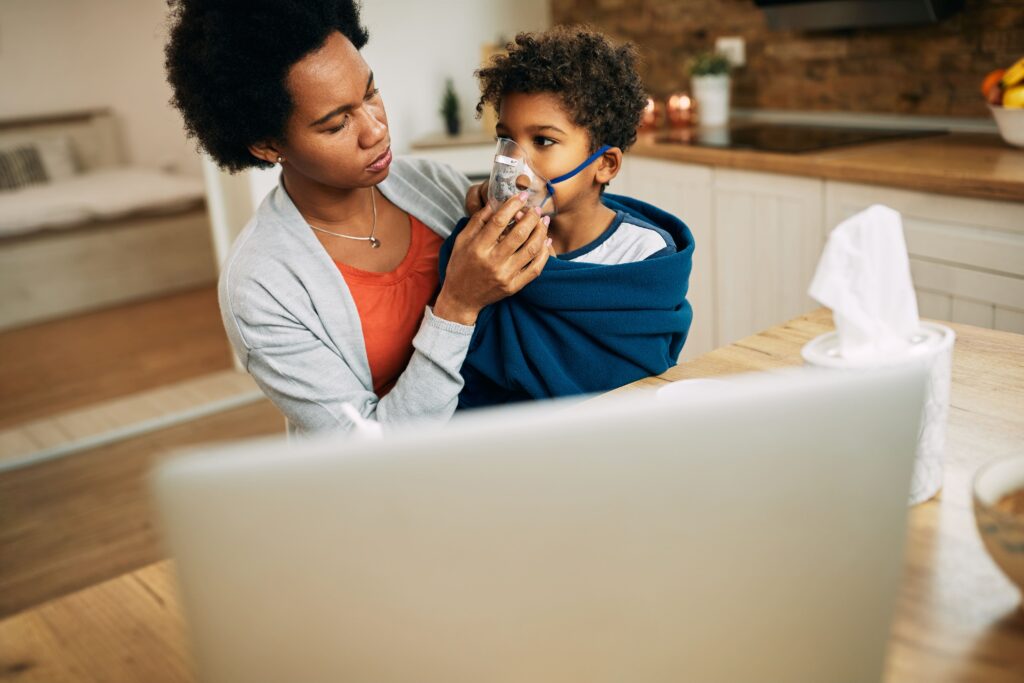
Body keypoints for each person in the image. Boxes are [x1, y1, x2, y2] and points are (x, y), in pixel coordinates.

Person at [164, 0, 552, 435]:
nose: (376, 129)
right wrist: (457, 306)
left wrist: (523, 220)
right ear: (266, 144)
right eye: (336, 125)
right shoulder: (260, 287)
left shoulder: (433, 183)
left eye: (370, 93)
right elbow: (366, 448)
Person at [439, 26, 695, 409]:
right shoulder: (488, 247)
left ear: (605, 165)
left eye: (543, 141)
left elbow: (636, 381)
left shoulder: (645, 257)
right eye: (505, 140)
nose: (515, 167)